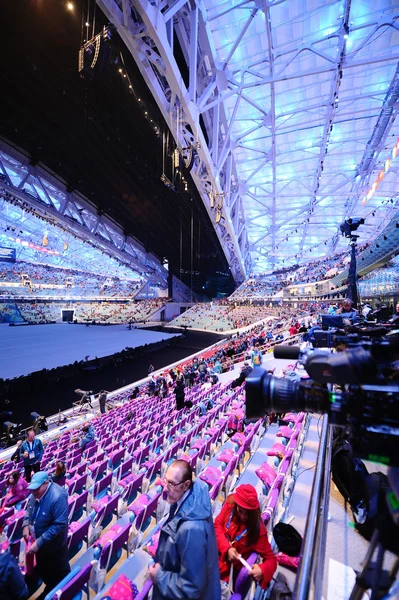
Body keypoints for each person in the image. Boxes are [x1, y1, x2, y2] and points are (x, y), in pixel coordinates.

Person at [147, 460, 221, 600]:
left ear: (186, 484)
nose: (165, 489)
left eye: (171, 484)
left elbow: (191, 588)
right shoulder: (194, 496)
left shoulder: (191, 530)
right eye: (165, 481)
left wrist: (159, 575)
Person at [215, 484, 276, 598]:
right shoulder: (230, 504)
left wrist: (262, 569)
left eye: (247, 513)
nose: (243, 516)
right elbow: (217, 524)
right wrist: (226, 548)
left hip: (225, 576)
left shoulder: (258, 532)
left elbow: (271, 560)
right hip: (214, 556)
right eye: (240, 511)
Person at [22, 472, 70, 599]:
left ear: (46, 483)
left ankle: (57, 592)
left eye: (37, 488)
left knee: (58, 574)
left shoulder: (58, 496)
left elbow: (59, 525)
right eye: (32, 489)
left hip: (54, 547)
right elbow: (29, 510)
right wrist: (26, 524)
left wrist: (40, 541)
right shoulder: (35, 492)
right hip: (40, 545)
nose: (33, 492)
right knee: (45, 571)